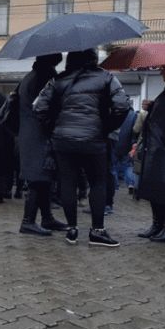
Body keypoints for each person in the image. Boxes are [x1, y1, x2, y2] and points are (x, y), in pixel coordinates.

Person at [33, 49, 131, 247]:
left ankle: (72, 230)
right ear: (94, 59)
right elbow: (122, 105)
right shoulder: (106, 77)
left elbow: (38, 107)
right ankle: (97, 232)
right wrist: (106, 127)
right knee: (97, 184)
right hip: (94, 140)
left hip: (63, 140)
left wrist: (53, 127)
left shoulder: (58, 79)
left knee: (68, 183)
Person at [16, 54, 68, 236]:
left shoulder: (33, 74)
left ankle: (47, 218)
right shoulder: (43, 76)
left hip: (30, 133)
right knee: (37, 178)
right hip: (38, 133)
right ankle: (28, 222)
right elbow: (47, 106)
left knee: (44, 178)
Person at [136, 64, 165, 243]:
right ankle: (158, 224)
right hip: (159, 149)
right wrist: (153, 106)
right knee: (156, 187)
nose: (161, 71)